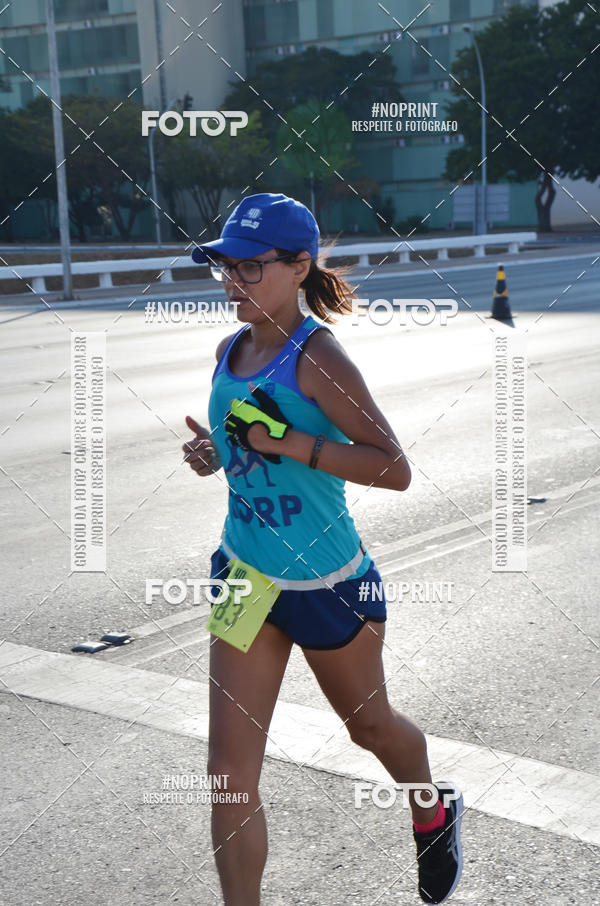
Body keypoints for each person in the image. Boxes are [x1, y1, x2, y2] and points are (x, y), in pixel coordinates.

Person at [183, 192, 463, 905]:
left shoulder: (319, 358)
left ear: (299, 266)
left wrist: (291, 445)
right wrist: (218, 454)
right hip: (245, 576)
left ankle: (430, 806)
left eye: (250, 267)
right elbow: (246, 445)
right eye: (225, 267)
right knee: (227, 775)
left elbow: (392, 467)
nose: (233, 282)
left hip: (328, 582)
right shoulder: (230, 351)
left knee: (370, 726)